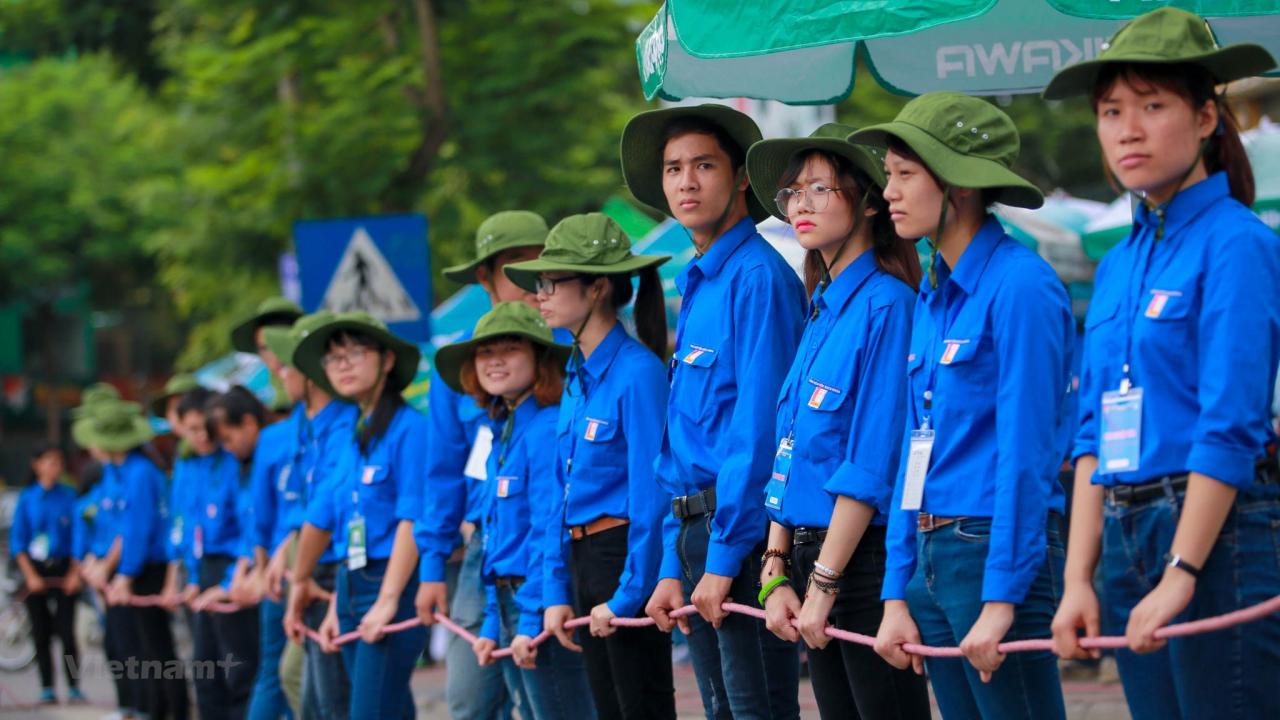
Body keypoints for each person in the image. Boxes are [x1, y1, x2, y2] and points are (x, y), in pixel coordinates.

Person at [1043, 8, 1280, 719]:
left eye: (1153, 106)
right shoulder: (1115, 264)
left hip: (1217, 534)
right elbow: (1090, 435)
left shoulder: (1238, 242)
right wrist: (1079, 579)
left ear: (1207, 117)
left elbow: (1230, 424)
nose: (1129, 130)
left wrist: (1183, 571)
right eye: (1111, 111)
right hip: (1121, 536)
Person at [851, 93, 1073, 719]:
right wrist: (896, 592)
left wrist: (1003, 595)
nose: (886, 191)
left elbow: (1029, 455)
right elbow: (910, 454)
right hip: (930, 552)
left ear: (962, 186)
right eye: (888, 173)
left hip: (988, 549)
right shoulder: (931, 294)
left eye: (904, 174)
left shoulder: (1021, 285)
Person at [624, 104, 806, 720]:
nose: (686, 182)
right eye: (673, 168)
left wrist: (726, 558)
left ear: (742, 178)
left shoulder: (758, 278)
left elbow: (759, 433)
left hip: (746, 538)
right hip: (700, 533)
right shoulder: (700, 282)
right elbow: (684, 443)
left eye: (704, 165)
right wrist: (678, 560)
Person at [743, 124, 932, 719]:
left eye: (820, 188)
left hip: (859, 560)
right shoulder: (819, 307)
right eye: (793, 192)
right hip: (805, 558)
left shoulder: (888, 304)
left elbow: (871, 462)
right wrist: (776, 571)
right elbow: (791, 450)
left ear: (869, 201)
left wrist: (823, 583)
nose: (801, 203)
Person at [505, 213, 674, 719]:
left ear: (598, 287)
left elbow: (652, 496)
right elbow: (560, 498)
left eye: (552, 282)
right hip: (583, 562)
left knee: (640, 707)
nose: (541, 295)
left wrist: (629, 594)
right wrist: (555, 592)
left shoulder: (638, 373)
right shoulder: (576, 376)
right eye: (539, 284)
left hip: (621, 557)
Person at [415, 210, 563, 720]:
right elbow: (440, 475)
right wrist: (433, 565)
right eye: (514, 268)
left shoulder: (570, 346)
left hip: (561, 542)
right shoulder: (462, 362)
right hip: (486, 548)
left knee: (550, 697)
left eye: (539, 267)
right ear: (484, 277)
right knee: (470, 698)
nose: (529, 281)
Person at [433, 301, 594, 720]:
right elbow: (494, 542)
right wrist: (491, 625)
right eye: (485, 352)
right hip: (507, 604)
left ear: (540, 360)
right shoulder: (499, 432)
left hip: (537, 603)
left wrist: (530, 620)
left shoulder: (545, 428)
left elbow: (548, 528)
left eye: (510, 349)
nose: (495, 360)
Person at [285, 312, 427, 720]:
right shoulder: (355, 432)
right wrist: (332, 605)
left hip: (389, 581)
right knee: (389, 709)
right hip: (350, 582)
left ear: (386, 360)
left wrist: (387, 600)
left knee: (369, 710)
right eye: (333, 358)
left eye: (354, 353)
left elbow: (412, 519)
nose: (342, 365)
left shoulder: (408, 428)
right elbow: (326, 514)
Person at [265, 312, 358, 720]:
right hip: (308, 565)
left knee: (329, 697)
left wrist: (300, 575)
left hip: (335, 569)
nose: (281, 375)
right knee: (307, 689)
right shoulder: (307, 427)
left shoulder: (344, 424)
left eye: (288, 365)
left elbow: (328, 509)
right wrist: (284, 551)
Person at [91, 400, 189, 720]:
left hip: (148, 568)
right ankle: (144, 708)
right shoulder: (119, 472)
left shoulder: (139, 473)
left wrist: (125, 574)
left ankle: (168, 710)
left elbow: (138, 528)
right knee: (135, 647)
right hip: (132, 568)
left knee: (155, 649)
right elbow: (111, 523)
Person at [179, 388, 261, 720]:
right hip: (205, 568)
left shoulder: (234, 461)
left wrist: (232, 581)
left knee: (239, 667)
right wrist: (194, 578)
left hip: (236, 569)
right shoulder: (191, 465)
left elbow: (248, 527)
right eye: (192, 429)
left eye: (205, 428)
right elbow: (190, 526)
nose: (201, 436)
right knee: (205, 665)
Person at [10, 444, 85, 705]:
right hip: (35, 570)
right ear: (37, 464)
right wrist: (30, 575)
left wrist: (75, 573)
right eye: (50, 461)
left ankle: (74, 686)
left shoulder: (69, 496)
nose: (55, 467)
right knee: (40, 633)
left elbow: (78, 536)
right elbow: (18, 541)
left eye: (59, 461)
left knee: (67, 633)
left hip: (64, 568)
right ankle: (47, 687)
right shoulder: (27, 498)